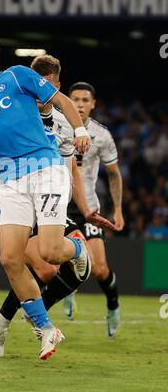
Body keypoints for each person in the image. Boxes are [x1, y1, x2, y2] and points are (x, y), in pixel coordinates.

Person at [0, 31, 91, 360]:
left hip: (46, 170)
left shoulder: (17, 75)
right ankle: (46, 329)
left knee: (51, 253)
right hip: (11, 183)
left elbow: (62, 101)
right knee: (10, 259)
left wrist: (80, 130)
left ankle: (77, 247)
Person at [0, 55, 119, 357]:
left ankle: (8, 316)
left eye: (46, 86)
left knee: (78, 272)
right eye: (35, 85)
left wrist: (86, 209)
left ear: (55, 87)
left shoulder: (63, 124)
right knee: (45, 269)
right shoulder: (13, 108)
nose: (39, 91)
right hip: (12, 195)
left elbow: (71, 168)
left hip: (46, 195)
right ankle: (35, 322)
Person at [63, 82, 124, 338]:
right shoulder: (57, 126)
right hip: (60, 204)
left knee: (99, 268)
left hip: (88, 207)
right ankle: (66, 290)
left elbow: (113, 174)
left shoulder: (102, 135)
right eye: (74, 99)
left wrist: (118, 209)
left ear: (93, 104)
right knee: (54, 257)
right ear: (67, 100)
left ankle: (113, 306)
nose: (79, 104)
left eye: (85, 100)